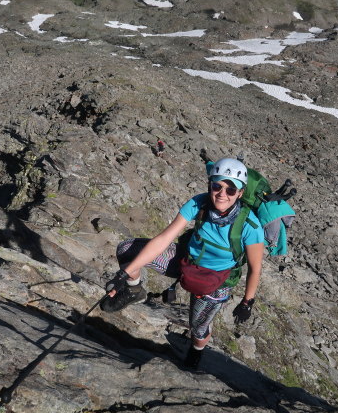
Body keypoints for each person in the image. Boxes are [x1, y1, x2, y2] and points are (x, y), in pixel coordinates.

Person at [100, 158, 265, 369]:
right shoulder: (199, 203)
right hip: (186, 261)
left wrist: (247, 302)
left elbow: (255, 268)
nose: (222, 194)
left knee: (198, 328)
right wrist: (126, 274)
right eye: (217, 186)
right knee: (128, 250)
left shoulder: (250, 226)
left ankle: (196, 352)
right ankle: (134, 291)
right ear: (210, 185)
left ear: (240, 193)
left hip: (216, 282)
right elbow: (163, 240)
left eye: (231, 190)